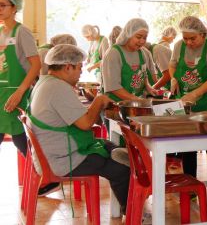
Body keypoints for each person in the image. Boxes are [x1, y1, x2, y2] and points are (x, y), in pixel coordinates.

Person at [28, 44, 130, 210]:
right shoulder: (58, 88)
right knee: (120, 169)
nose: (81, 72)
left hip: (52, 153)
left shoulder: (45, 82)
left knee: (109, 145)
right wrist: (98, 100)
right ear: (68, 67)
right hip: (62, 161)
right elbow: (85, 124)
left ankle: (124, 163)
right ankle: (132, 213)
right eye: (79, 67)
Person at [168, 16, 207, 204]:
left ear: (203, 35)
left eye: (192, 39)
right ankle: (190, 187)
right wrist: (173, 78)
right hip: (184, 101)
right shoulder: (179, 46)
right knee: (188, 145)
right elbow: (173, 64)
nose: (188, 42)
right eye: (185, 38)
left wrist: (196, 94)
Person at [0, 0, 40, 159]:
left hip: (17, 92)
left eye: (2, 5)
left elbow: (36, 64)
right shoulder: (1, 31)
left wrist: (19, 92)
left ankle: (44, 176)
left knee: (19, 137)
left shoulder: (22, 31)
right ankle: (43, 177)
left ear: (14, 8)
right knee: (15, 137)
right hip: (2, 91)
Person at [101, 18, 157, 101]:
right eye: (138, 37)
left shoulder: (142, 52)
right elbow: (113, 87)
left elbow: (143, 75)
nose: (142, 41)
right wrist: (137, 100)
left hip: (135, 103)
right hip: (115, 105)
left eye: (145, 38)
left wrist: (149, 88)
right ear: (128, 35)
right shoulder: (113, 53)